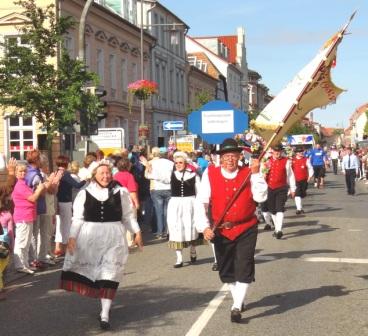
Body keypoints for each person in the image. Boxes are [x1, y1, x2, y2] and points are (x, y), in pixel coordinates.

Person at [60, 161, 143, 330]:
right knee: (96, 274)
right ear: (94, 175)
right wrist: (72, 237)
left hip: (114, 237)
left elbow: (127, 215)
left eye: (107, 173)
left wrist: (137, 232)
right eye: (101, 173)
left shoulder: (121, 192)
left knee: (110, 274)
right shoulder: (84, 193)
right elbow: (78, 218)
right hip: (90, 237)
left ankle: (105, 313)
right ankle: (103, 306)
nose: (105, 176)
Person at [195, 138, 267, 323]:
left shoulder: (249, 173)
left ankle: (236, 306)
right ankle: (238, 299)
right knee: (226, 270)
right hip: (221, 229)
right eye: (226, 156)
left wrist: (257, 174)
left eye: (233, 156)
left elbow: (260, 196)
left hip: (246, 227)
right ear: (220, 158)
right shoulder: (210, 174)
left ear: (239, 157)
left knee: (244, 265)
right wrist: (204, 227)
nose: (230, 160)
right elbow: (201, 202)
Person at [167, 152, 201, 268]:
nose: (178, 165)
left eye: (180, 162)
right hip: (175, 204)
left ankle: (193, 249)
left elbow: (199, 191)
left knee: (190, 227)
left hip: (190, 203)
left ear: (186, 163)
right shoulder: (171, 174)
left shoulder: (193, 175)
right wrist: (149, 166)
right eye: (176, 163)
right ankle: (179, 258)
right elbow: (153, 176)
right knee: (176, 229)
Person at [12, 163, 46, 274]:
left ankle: (24, 265)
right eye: (20, 171)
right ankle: (20, 265)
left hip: (27, 216)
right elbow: (32, 198)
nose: (23, 173)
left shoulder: (24, 184)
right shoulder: (20, 185)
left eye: (24, 171)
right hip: (23, 216)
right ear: (16, 173)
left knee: (25, 243)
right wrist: (40, 189)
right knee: (22, 243)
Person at [261, 144, 296, 238]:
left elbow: (290, 175)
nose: (277, 153)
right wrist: (263, 176)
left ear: (281, 152)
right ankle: (277, 228)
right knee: (272, 209)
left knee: (280, 208)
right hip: (269, 188)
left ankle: (279, 230)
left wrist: (293, 188)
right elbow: (261, 174)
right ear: (272, 151)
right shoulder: (266, 161)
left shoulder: (286, 161)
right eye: (276, 151)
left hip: (281, 188)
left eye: (279, 151)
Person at [54, 155, 86, 256]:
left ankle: (57, 247)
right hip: (65, 202)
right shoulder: (66, 174)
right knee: (67, 226)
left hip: (57, 201)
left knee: (59, 225)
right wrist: (86, 180)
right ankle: (66, 248)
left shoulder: (55, 173)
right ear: (66, 163)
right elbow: (77, 185)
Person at [143, 147, 174, 239]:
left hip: (156, 188)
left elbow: (146, 175)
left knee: (158, 211)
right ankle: (167, 231)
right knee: (167, 211)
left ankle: (160, 232)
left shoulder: (151, 163)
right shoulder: (171, 163)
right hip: (169, 188)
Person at [292, 147, 314, 214]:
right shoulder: (292, 160)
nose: (301, 153)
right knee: (297, 194)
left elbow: (310, 168)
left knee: (302, 194)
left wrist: (310, 176)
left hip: (304, 180)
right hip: (295, 180)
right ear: (296, 153)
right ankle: (298, 209)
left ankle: (300, 208)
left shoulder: (306, 160)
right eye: (300, 152)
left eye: (302, 152)